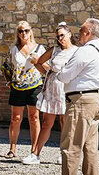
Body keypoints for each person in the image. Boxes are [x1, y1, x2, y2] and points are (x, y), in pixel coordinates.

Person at [42, 17, 99, 175]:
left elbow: (64, 76)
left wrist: (58, 70)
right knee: (90, 146)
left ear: (88, 33)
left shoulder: (84, 52)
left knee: (71, 144)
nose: (78, 35)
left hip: (81, 100)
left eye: (81, 31)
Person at [29, 22, 72, 164]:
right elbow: (38, 62)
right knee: (47, 122)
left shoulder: (76, 51)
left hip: (66, 88)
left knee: (65, 122)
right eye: (58, 36)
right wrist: (49, 73)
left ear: (69, 34)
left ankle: (64, 153)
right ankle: (35, 154)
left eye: (62, 35)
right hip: (53, 89)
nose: (60, 38)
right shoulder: (54, 50)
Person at [4, 21, 45, 160]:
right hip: (18, 86)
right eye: (21, 31)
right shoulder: (14, 49)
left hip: (35, 85)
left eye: (26, 30)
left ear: (31, 31)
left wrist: (38, 61)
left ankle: (34, 150)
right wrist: (9, 80)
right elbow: (6, 66)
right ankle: (12, 148)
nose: (24, 34)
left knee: (34, 117)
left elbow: (47, 68)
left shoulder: (39, 49)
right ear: (17, 33)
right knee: (15, 118)